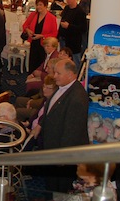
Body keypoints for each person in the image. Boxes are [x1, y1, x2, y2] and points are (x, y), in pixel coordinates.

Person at [41, 59, 89, 193]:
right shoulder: (63, 88)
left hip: (62, 157)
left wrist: (62, 157)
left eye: (58, 73)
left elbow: (72, 131)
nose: (54, 76)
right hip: (53, 150)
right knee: (51, 186)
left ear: (70, 74)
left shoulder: (77, 97)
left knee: (60, 190)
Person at [22, 0, 59, 73]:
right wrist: (28, 30)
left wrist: (42, 36)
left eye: (40, 5)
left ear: (45, 6)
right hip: (34, 42)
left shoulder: (51, 18)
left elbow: (54, 33)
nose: (38, 7)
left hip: (45, 44)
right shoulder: (33, 15)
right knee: (32, 62)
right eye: (37, 5)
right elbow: (25, 25)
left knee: (41, 62)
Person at [57, 0, 87, 68]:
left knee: (75, 62)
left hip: (74, 42)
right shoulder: (66, 8)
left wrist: (69, 26)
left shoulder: (80, 12)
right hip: (64, 40)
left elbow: (83, 29)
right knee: (63, 62)